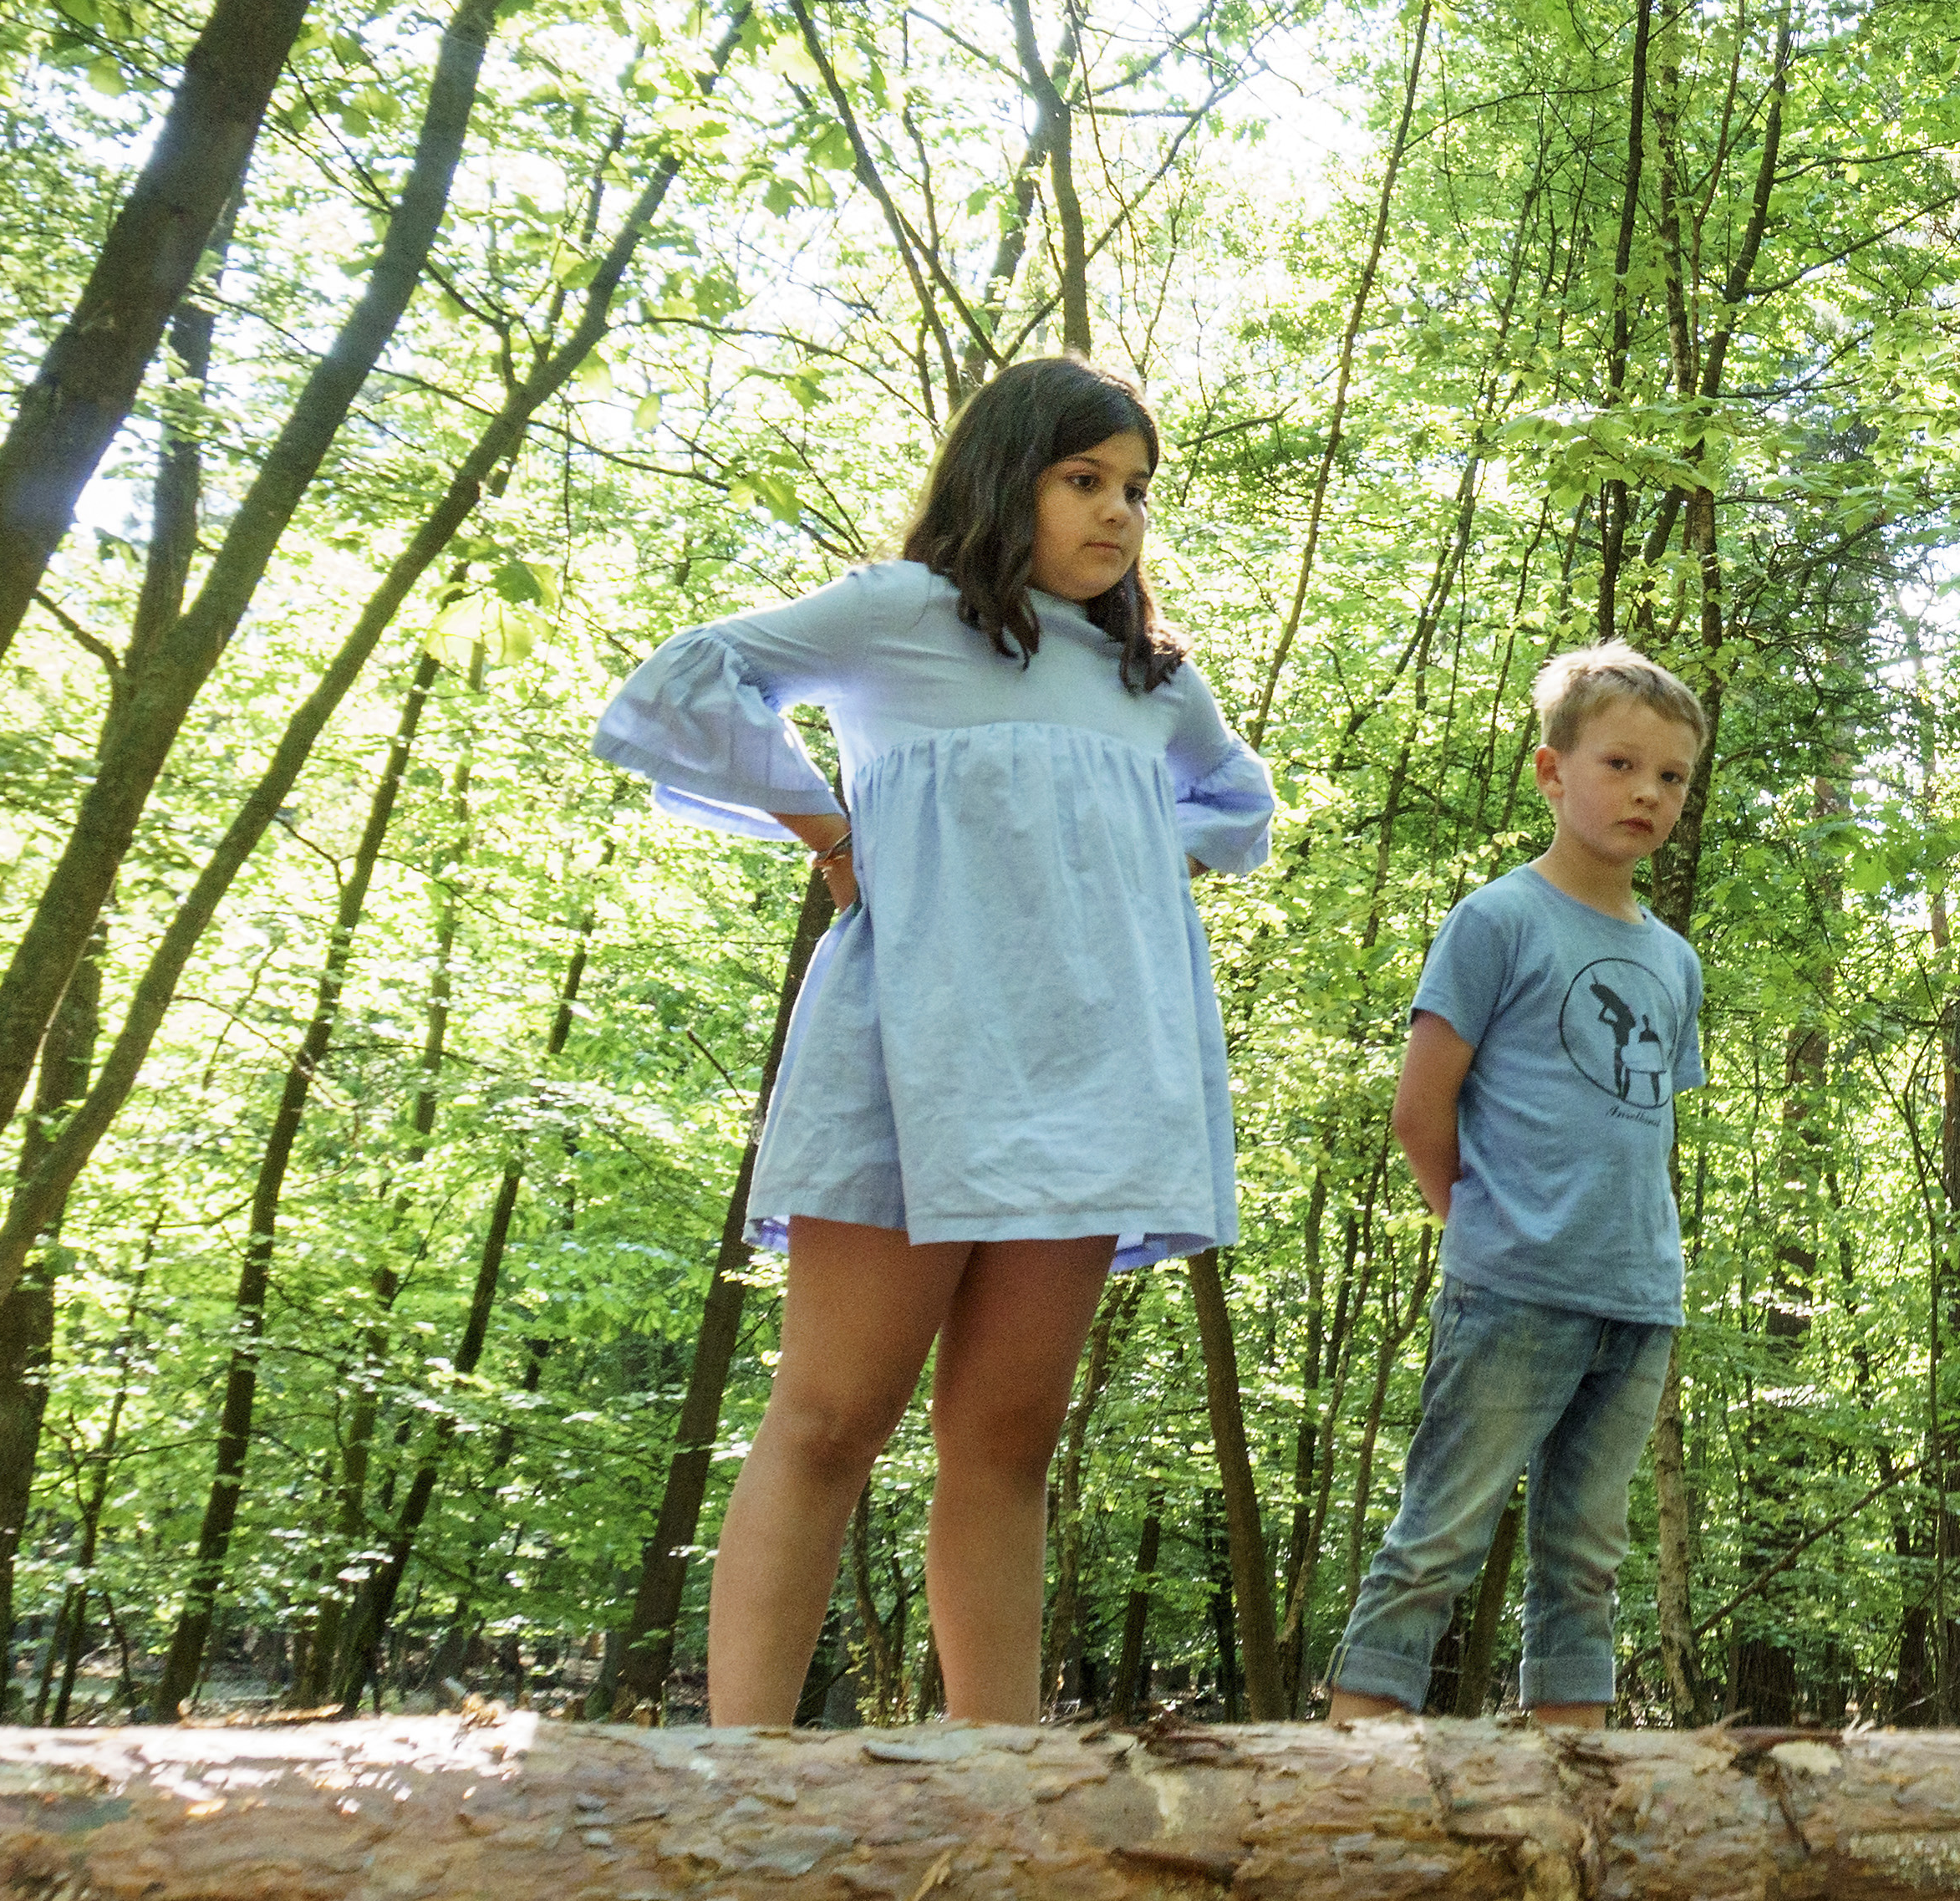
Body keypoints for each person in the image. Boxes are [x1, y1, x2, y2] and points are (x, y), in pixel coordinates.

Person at [593, 356, 1275, 1725]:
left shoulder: (1145, 678)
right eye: (1084, 480)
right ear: (1000, 474)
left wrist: (1127, 855)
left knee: (1010, 1437)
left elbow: (1240, 805)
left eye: (1136, 490)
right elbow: (684, 684)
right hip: (914, 1057)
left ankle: (997, 1775)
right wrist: (823, 823)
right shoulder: (902, 616)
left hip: (1089, 1075)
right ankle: (745, 1767)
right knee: (833, 1415)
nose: (1118, 513)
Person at [1326, 643, 1710, 1726]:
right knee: (1438, 1541)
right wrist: (1488, 1227)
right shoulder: (1495, 922)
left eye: (1672, 777)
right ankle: (1344, 1788)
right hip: (1514, 1285)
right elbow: (1420, 1111)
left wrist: (1628, 1254)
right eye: (1621, 765)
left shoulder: (1675, 963)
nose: (1647, 792)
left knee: (1586, 1560)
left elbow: (1642, 1125)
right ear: (1552, 772)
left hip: (1639, 1297)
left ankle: (1572, 1800)